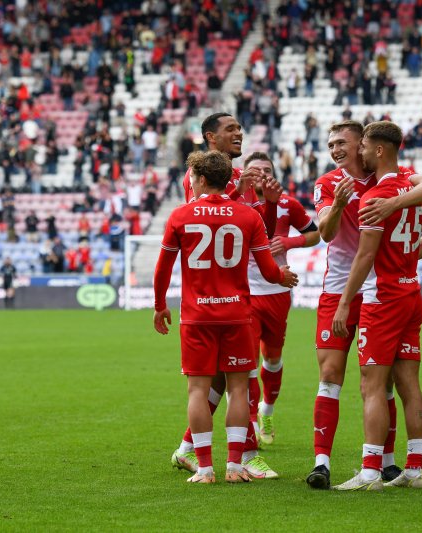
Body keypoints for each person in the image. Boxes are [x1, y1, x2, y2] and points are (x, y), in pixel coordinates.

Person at [306, 120, 422, 489]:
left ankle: (378, 466)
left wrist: (391, 215)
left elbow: (369, 255)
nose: (337, 150)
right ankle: (324, 462)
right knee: (335, 375)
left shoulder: (391, 186)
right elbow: (326, 233)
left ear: (367, 147)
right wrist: (337, 206)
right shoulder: (329, 183)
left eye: (346, 143)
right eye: (331, 143)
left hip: (375, 293)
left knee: (377, 383)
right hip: (364, 289)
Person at [153, 151, 298, 483]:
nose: (190, 182)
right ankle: (234, 466)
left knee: (197, 391)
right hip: (237, 314)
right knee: (238, 390)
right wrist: (281, 277)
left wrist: (160, 305)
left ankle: (204, 467)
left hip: (197, 316)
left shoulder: (180, 216)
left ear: (202, 179)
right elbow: (268, 269)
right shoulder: (248, 217)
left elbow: (163, 269)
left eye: (191, 178)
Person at [171, 113, 281, 479]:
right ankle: (244, 456)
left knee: (224, 379)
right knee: (238, 379)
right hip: (221, 295)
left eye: (239, 127)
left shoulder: (241, 177)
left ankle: (191, 450)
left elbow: (257, 226)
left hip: (241, 287)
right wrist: (239, 190)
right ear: (210, 138)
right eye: (231, 129)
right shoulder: (199, 176)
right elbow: (204, 210)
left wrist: (268, 201)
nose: (239, 133)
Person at [242, 153, 321, 446]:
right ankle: (248, 424)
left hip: (277, 291)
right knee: (246, 362)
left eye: (267, 169)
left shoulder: (288, 204)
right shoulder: (238, 203)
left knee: (272, 359)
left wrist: (290, 241)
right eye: (256, 169)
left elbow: (316, 234)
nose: (262, 173)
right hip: (246, 292)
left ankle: (267, 411)